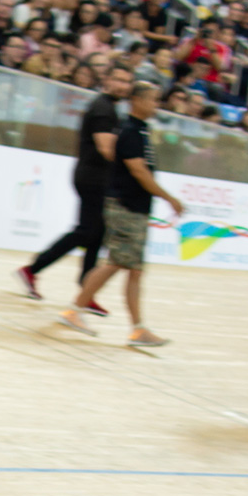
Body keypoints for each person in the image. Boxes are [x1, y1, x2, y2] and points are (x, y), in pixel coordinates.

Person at [56, 81, 183, 346]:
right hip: (126, 206)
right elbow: (139, 171)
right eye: (152, 99)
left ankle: (137, 328)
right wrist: (168, 197)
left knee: (132, 268)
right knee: (117, 263)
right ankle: (76, 310)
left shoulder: (140, 131)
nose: (156, 105)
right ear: (136, 100)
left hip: (134, 206)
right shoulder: (130, 132)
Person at [19, 63, 130, 306]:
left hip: (95, 177)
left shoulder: (108, 108)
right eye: (118, 79)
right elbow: (105, 147)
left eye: (126, 81)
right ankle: (33, 269)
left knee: (97, 233)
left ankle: (85, 290)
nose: (122, 85)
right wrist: (128, 168)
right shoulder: (103, 109)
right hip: (93, 178)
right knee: (86, 231)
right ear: (107, 80)